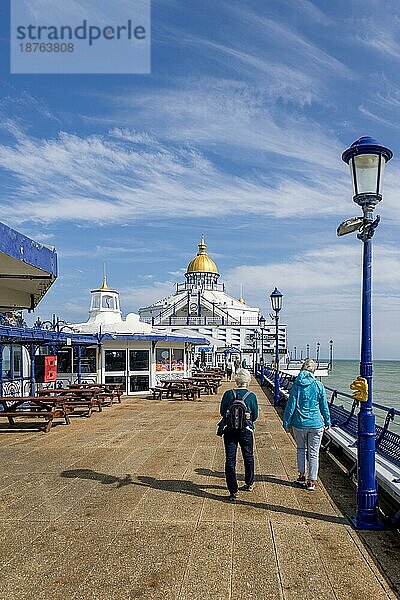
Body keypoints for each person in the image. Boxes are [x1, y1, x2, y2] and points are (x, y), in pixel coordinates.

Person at [283, 358, 331, 491]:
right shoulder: (318, 385)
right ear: (313, 371)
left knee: (301, 449)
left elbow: (290, 406)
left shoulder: (297, 385)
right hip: (316, 423)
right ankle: (311, 481)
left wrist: (286, 423)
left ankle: (301, 476)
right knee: (314, 453)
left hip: (299, 423)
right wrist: (327, 420)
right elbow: (324, 406)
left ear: (302, 369)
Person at [219, 368, 258, 501]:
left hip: (230, 430)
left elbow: (222, 412)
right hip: (246, 430)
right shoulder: (251, 396)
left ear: (236, 380)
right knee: (248, 456)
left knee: (230, 460)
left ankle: (233, 491)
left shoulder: (228, 394)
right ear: (248, 381)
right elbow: (255, 416)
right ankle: (249, 482)